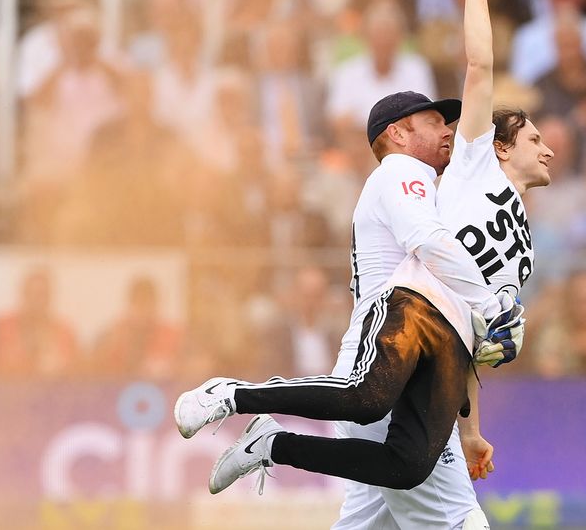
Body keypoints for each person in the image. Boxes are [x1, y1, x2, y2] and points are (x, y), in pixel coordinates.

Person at [174, 85, 526, 496]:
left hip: (430, 344)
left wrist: (470, 423)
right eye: (433, 121)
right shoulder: (402, 171)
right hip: (390, 327)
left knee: (406, 468)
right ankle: (230, 393)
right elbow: (426, 239)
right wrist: (491, 306)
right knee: (367, 401)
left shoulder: (431, 186)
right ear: (398, 134)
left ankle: (270, 444)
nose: (447, 129)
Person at [334, 0, 553, 526]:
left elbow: (469, 340)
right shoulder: (471, 166)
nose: (547, 149)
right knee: (461, 522)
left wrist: (470, 427)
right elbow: (480, 64)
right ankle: (253, 420)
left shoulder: (521, 246)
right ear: (500, 147)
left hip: (419, 364)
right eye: (534, 138)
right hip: (396, 368)